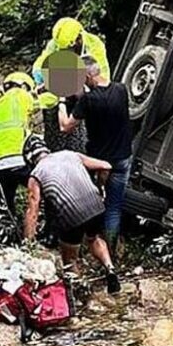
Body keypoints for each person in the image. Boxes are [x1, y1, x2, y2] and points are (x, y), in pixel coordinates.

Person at [22, 136, 121, 293]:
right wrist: (101, 187)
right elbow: (106, 166)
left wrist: (27, 243)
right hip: (95, 204)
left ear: (29, 159)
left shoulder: (36, 175)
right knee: (94, 238)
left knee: (69, 258)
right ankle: (110, 269)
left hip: (71, 214)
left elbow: (32, 211)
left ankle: (80, 290)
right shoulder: (70, 154)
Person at [58, 56, 132, 259]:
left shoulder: (89, 101)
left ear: (88, 75)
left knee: (89, 204)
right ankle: (111, 252)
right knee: (114, 208)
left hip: (98, 163)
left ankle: (86, 247)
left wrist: (62, 102)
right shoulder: (121, 90)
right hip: (122, 159)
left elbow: (65, 126)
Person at [0, 71, 39, 230]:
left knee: (4, 210)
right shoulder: (22, 96)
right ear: (24, 86)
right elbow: (44, 106)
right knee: (44, 192)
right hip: (19, 160)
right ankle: (38, 233)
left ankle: (6, 240)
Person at [31, 17, 109, 88]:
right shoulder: (55, 44)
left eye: (68, 49)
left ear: (79, 39)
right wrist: (39, 73)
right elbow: (42, 60)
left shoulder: (94, 44)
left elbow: (102, 74)